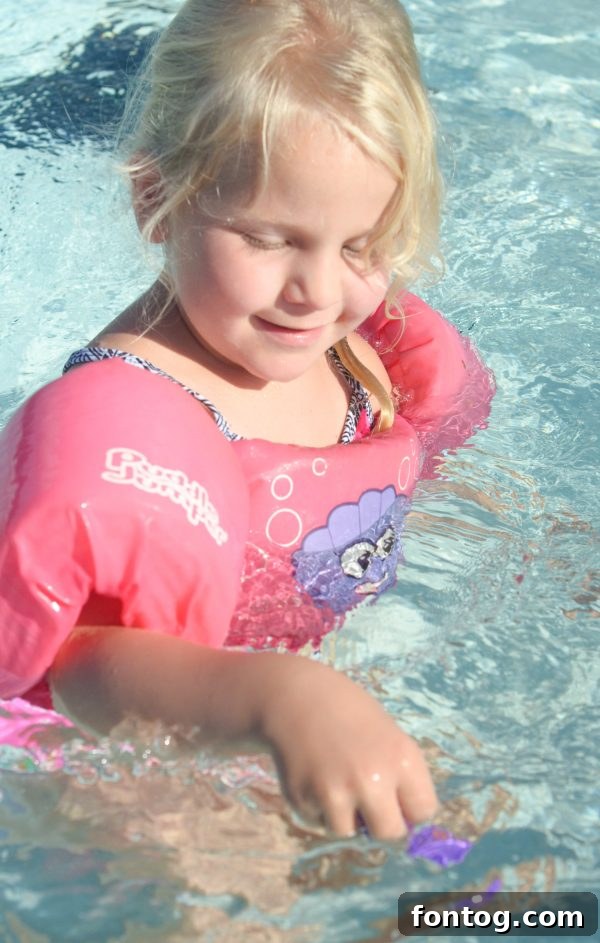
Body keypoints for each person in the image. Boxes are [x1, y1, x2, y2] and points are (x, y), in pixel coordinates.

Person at [0, 0, 491, 839]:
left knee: (502, 871)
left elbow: (415, 474)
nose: (318, 292)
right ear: (158, 197)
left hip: (317, 699)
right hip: (159, 752)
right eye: (270, 239)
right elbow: (76, 666)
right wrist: (278, 697)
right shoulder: (129, 414)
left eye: (360, 245)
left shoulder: (354, 347)